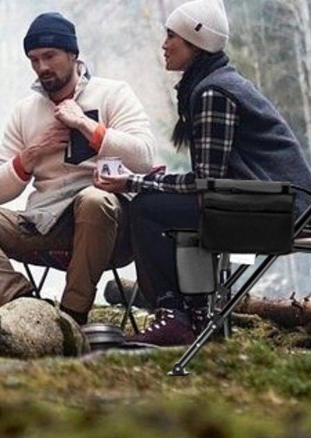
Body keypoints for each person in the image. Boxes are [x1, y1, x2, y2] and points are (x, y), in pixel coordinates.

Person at [95, 0, 311, 346]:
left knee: (147, 209)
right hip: (278, 204)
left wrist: (132, 181)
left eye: (171, 36)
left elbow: (205, 183)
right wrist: (153, 181)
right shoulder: (217, 82)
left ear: (196, 42)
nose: (164, 44)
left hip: (280, 212)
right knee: (165, 205)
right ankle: (195, 314)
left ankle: (178, 316)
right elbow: (212, 181)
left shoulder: (214, 91)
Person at [0, 12, 155, 325]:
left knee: (93, 199)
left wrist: (86, 126)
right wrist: (33, 154)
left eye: (50, 56)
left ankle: (72, 317)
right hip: (43, 222)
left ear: (73, 54)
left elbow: (144, 157)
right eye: (34, 59)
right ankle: (25, 304)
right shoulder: (26, 112)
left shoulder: (113, 93)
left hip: (107, 226)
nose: (42, 67)